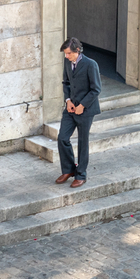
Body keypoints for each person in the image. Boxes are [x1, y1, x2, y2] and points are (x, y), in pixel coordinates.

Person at [56, 37, 101, 188]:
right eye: (65, 54)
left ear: (77, 51)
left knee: (83, 142)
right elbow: (66, 82)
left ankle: (81, 174)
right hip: (70, 108)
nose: (66, 56)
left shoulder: (90, 65)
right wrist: (68, 100)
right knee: (62, 138)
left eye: (68, 53)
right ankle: (69, 170)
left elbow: (96, 89)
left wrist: (82, 105)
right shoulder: (67, 62)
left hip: (86, 110)